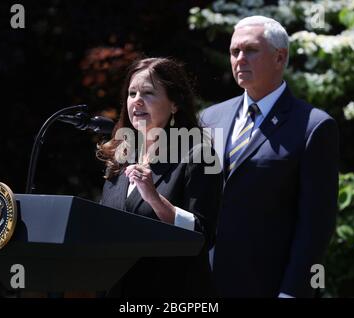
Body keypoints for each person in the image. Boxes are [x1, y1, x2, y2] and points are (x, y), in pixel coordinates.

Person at [200, 16, 339, 297]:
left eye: (250, 50)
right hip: (205, 285)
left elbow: (316, 225)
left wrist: (293, 292)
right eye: (234, 51)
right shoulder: (210, 118)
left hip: (268, 286)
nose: (240, 59)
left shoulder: (313, 126)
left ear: (280, 57)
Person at [97, 57, 222, 297]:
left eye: (148, 93)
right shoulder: (120, 156)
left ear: (174, 104)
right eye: (131, 93)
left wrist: (154, 198)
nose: (137, 101)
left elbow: (202, 236)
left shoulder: (199, 156)